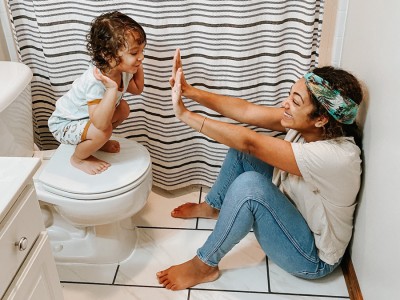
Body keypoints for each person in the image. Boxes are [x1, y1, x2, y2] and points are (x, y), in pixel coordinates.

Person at [156, 48, 363, 290]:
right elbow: (246, 111)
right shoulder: (310, 127)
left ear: (321, 119)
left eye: (295, 102)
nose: (285, 104)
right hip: (294, 211)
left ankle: (204, 265)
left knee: (250, 186)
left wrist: (184, 114)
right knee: (241, 153)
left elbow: (250, 142)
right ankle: (213, 208)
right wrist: (190, 91)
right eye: (290, 95)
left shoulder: (337, 157)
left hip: (312, 257)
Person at [48, 11, 146, 175]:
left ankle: (97, 142)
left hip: (87, 120)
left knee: (123, 108)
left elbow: (137, 89)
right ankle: (78, 158)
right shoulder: (96, 81)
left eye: (143, 51)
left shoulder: (123, 70)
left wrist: (138, 65)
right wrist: (111, 89)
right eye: (135, 53)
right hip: (65, 124)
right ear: (109, 56)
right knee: (103, 130)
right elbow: (100, 124)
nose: (141, 57)